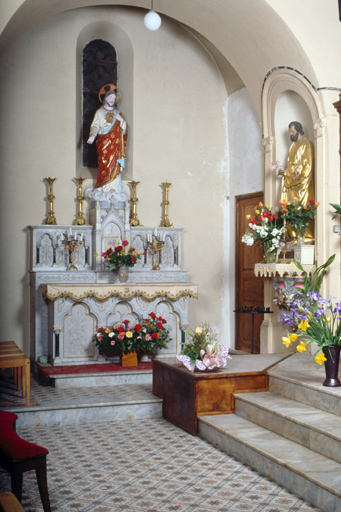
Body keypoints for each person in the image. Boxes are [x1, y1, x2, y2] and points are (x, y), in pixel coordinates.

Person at [87, 84, 127, 191]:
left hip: (115, 145)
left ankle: (114, 189)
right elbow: (95, 125)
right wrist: (92, 135)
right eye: (109, 98)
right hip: (104, 143)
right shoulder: (99, 112)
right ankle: (103, 187)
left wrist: (121, 120)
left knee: (114, 165)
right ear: (105, 99)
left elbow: (124, 131)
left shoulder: (118, 113)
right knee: (104, 164)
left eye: (113, 98)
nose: (111, 100)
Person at [279, 121, 314, 241]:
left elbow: (306, 163)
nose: (291, 134)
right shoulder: (292, 146)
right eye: (290, 132)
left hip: (300, 182)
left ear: (299, 130)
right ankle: (292, 235)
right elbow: (291, 164)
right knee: (290, 208)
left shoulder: (305, 143)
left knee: (300, 208)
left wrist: (296, 170)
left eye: (293, 131)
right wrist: (286, 172)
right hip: (290, 180)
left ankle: (304, 236)